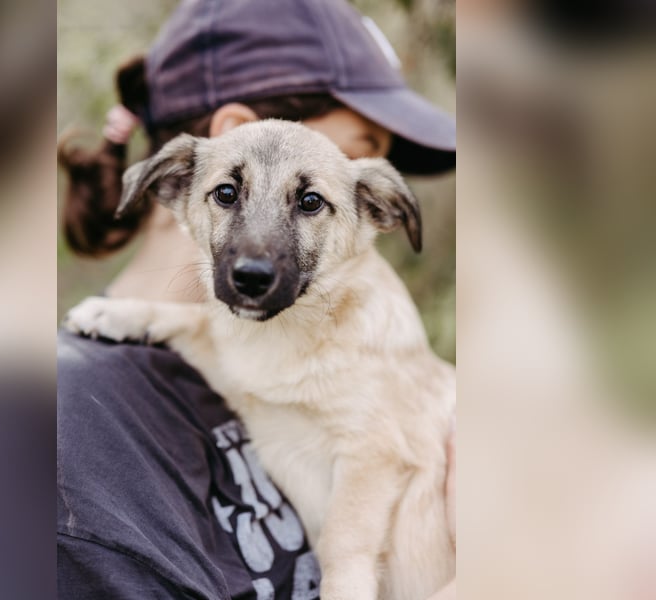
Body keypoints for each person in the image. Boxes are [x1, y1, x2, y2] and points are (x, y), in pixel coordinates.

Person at [57, 1, 456, 598]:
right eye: (356, 145)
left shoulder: (317, 354)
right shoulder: (80, 430)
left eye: (313, 202)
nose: (370, 170)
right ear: (232, 136)